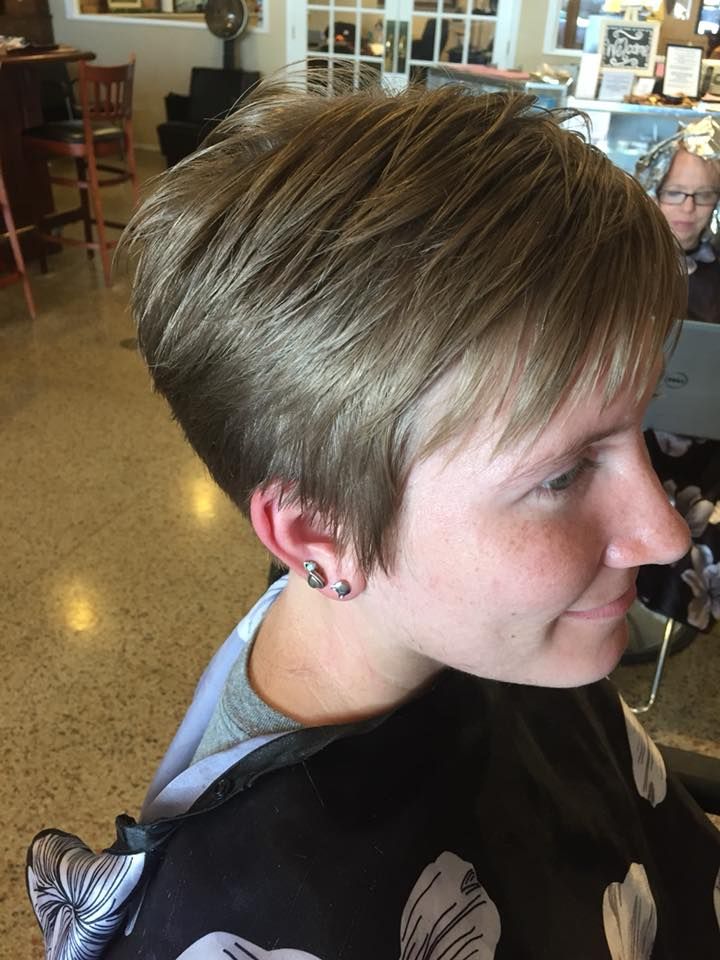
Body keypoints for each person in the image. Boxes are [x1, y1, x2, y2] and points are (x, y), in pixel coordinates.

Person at [26, 75, 720, 959]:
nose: (664, 532)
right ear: (322, 535)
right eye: (563, 474)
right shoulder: (258, 912)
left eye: (634, 429)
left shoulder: (490, 634)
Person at [633, 118, 720, 638]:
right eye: (677, 193)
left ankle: (669, 616)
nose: (689, 210)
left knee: (705, 522)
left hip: (707, 444)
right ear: (653, 189)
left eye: (704, 197)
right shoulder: (616, 260)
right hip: (626, 434)